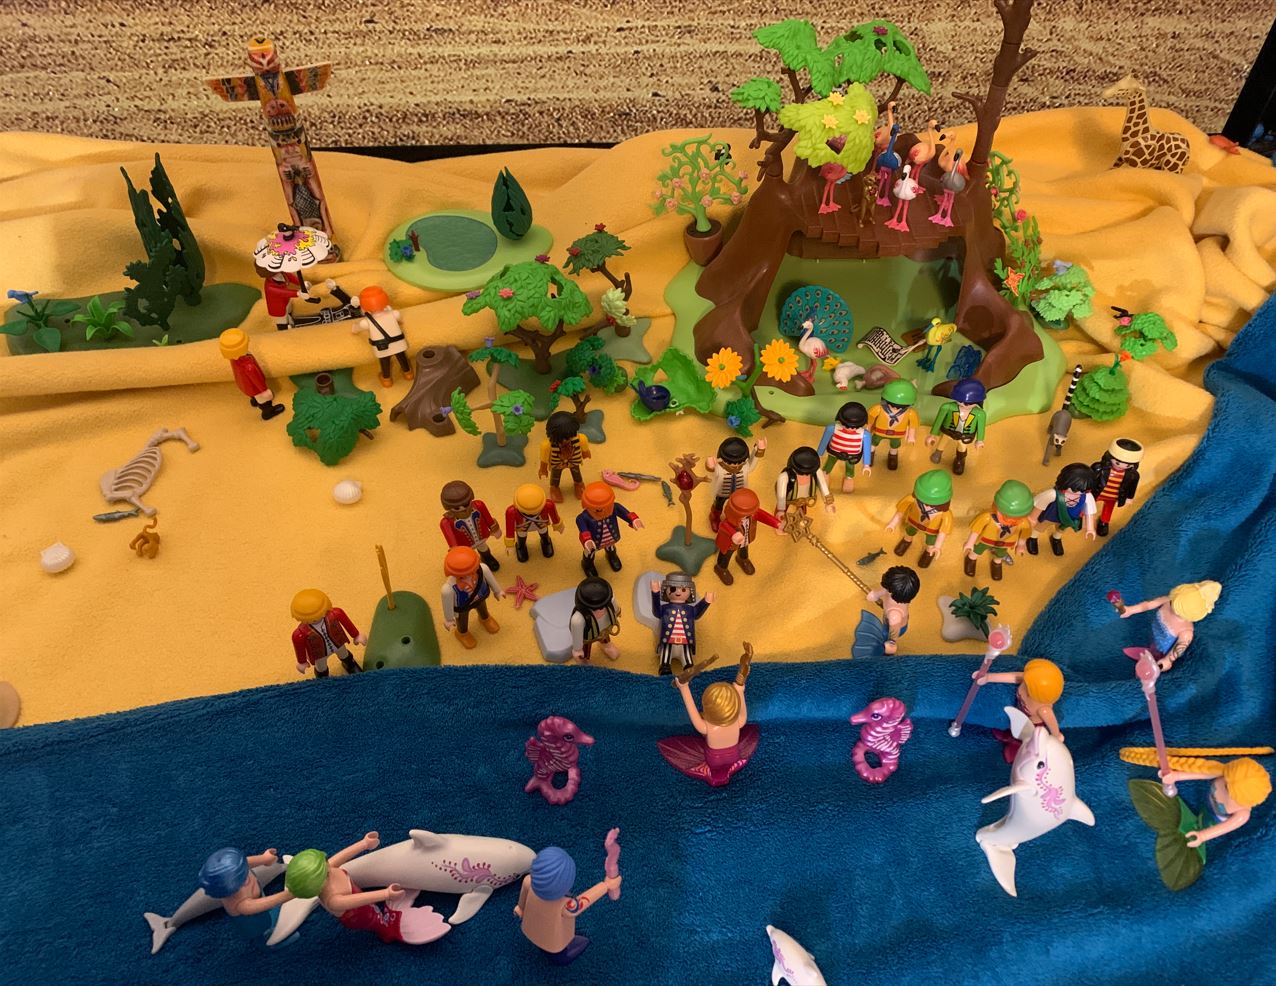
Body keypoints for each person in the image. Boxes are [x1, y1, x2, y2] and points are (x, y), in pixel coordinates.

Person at [284, 834, 448, 944]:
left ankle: (384, 919)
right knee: (375, 919)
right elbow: (358, 899)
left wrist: (364, 844)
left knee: (375, 910)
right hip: (357, 916)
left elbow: (341, 857)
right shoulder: (333, 900)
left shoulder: (328, 870)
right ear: (317, 882)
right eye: (324, 867)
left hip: (359, 901)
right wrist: (386, 893)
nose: (328, 864)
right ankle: (386, 931)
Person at [657, 645, 758, 787]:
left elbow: (691, 708)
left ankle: (713, 770)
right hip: (734, 757)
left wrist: (683, 687)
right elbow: (740, 695)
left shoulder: (705, 728)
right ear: (734, 706)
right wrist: (740, 681)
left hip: (713, 761)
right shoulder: (739, 722)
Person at [515, 847, 622, 965]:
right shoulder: (566, 906)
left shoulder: (529, 882)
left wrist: (520, 909)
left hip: (530, 929)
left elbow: (521, 904)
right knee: (562, 953)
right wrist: (606, 885)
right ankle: (560, 957)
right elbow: (585, 900)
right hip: (553, 943)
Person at [197, 847, 297, 947]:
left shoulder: (238, 871)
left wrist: (264, 858)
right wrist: (290, 894)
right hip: (255, 924)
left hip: (261, 908)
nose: (247, 876)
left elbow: (246, 862)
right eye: (242, 880)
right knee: (263, 935)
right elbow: (265, 903)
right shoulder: (241, 904)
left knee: (269, 915)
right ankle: (267, 945)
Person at [1119, 581, 1221, 671]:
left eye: (1179, 612)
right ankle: (1150, 651)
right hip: (1153, 637)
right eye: (1173, 603)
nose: (1172, 608)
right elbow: (1149, 604)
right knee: (1152, 645)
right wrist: (1131, 610)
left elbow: (1178, 649)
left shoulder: (1186, 632)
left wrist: (1168, 660)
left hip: (1163, 651)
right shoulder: (1169, 600)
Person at [978, 658, 1065, 761]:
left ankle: (1018, 748)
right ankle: (1009, 735)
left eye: (1027, 689)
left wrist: (1057, 736)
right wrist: (988, 677)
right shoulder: (1029, 681)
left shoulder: (1043, 710)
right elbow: (1014, 677)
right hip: (1019, 716)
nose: (1021, 688)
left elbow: (1052, 724)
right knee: (1014, 728)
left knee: (1024, 738)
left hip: (1031, 726)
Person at [963, 480, 1034, 581]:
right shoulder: (987, 518)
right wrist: (970, 542)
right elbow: (976, 530)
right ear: (996, 506)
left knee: (1000, 554)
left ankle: (997, 563)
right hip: (985, 541)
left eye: (1017, 518)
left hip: (1005, 544)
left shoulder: (1023, 524)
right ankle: (971, 558)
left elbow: (1023, 535)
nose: (1010, 521)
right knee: (977, 550)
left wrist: (1021, 545)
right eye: (1006, 517)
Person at [713, 488, 783, 586]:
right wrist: (734, 534)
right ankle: (721, 568)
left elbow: (765, 516)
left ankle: (743, 559)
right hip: (730, 543)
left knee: (744, 550)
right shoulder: (731, 520)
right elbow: (723, 526)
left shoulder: (753, 514)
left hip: (745, 539)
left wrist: (778, 524)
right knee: (725, 555)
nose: (751, 514)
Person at [884, 469, 952, 567]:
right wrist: (892, 523)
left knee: (930, 541)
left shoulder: (945, 514)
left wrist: (937, 547)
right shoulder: (912, 499)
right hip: (913, 522)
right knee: (909, 532)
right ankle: (907, 541)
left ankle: (929, 551)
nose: (926, 504)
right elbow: (900, 511)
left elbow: (943, 531)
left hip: (931, 530)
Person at [290, 589, 365, 678]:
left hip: (338, 643)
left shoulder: (334, 614)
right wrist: (302, 661)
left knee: (345, 655)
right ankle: (323, 678)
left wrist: (356, 635)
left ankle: (350, 665)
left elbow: (346, 623)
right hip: (319, 652)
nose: (316, 618)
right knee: (321, 668)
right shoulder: (300, 633)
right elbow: (299, 647)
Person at [440, 545, 504, 649]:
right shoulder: (448, 588)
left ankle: (485, 619)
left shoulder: (482, 569)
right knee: (462, 621)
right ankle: (462, 633)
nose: (468, 575)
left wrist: (498, 591)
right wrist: (449, 619)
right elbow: (447, 603)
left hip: (480, 598)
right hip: (462, 607)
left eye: (471, 570)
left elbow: (490, 579)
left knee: (483, 610)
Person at [1028, 462, 1099, 556]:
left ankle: (1056, 539)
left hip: (1068, 519)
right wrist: (1033, 518)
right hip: (1050, 516)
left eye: (1083, 490)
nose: (1078, 492)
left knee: (1061, 529)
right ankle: (1033, 538)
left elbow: (1089, 511)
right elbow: (1040, 505)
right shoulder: (1053, 494)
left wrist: (1090, 528)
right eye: (1074, 489)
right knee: (1040, 527)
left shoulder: (1087, 496)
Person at [649, 572, 713, 675]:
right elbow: (656, 612)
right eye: (673, 589)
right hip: (668, 641)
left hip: (685, 642)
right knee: (665, 659)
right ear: (666, 590)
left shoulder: (690, 609)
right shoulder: (665, 608)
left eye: (683, 589)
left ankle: (688, 668)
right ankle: (665, 667)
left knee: (688, 663)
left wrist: (706, 602)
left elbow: (697, 613)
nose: (678, 592)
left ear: (690, 591)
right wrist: (655, 593)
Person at [575, 482, 642, 577]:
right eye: (598, 510)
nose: (604, 511)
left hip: (610, 538)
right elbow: (583, 528)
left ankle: (611, 556)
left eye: (608, 507)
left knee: (611, 548)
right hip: (593, 541)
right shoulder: (583, 517)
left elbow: (625, 513)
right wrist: (587, 539)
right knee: (589, 553)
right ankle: (587, 565)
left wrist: (633, 519)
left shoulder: (615, 508)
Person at [351, 285, 414, 387]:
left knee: (385, 361)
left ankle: (387, 380)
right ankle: (408, 374)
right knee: (402, 357)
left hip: (382, 347)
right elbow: (400, 320)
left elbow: (356, 329)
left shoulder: (365, 322)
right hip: (398, 343)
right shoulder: (394, 313)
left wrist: (354, 329)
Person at [218, 328, 285, 420]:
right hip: (255, 388)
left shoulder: (233, 358)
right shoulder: (249, 366)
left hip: (244, 385)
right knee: (264, 400)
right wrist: (264, 390)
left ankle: (254, 400)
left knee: (254, 395)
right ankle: (268, 412)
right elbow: (257, 380)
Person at [926, 378, 986, 475]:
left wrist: (980, 440)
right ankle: (938, 452)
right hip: (948, 431)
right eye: (961, 401)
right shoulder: (947, 407)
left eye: (969, 403)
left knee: (962, 447)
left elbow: (981, 427)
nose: (965, 405)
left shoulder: (979, 414)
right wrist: (933, 434)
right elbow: (938, 421)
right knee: (943, 441)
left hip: (965, 435)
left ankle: (960, 460)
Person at [439, 479, 501, 572]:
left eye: (466, 504)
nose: (462, 508)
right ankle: (473, 567)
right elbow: (451, 538)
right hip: (464, 544)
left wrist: (494, 528)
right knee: (467, 556)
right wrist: (455, 550)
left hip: (481, 537)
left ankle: (487, 558)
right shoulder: (446, 522)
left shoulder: (479, 505)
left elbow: (487, 517)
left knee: (483, 548)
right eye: (456, 508)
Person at [705, 436, 766, 531]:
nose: (736, 466)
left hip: (740, 493)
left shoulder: (745, 467)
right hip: (722, 493)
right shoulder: (719, 469)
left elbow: (752, 464)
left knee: (739, 508)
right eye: (732, 463)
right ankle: (714, 518)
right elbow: (712, 470)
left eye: (739, 463)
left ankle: (736, 521)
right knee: (718, 506)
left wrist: (758, 450)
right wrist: (709, 465)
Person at [860, 566, 921, 656]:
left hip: (893, 627)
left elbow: (894, 633)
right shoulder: (897, 593)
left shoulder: (894, 615)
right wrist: (875, 595)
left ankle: (882, 650)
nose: (886, 589)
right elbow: (884, 591)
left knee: (883, 637)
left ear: (892, 591)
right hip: (893, 619)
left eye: (888, 589)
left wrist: (891, 642)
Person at [816, 401, 873, 493]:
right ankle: (825, 476)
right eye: (847, 425)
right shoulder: (832, 428)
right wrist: (819, 454)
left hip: (852, 456)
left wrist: (866, 464)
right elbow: (824, 441)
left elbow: (867, 449)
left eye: (854, 427)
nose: (850, 429)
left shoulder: (864, 435)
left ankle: (849, 479)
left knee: (850, 468)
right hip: (834, 452)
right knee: (828, 465)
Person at [1091, 437, 1143, 537]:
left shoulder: (1133, 475)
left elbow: (1132, 486)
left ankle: (1104, 522)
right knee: (1086, 504)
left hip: (1113, 496)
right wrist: (1085, 490)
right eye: (1118, 462)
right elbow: (1089, 479)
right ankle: (1079, 517)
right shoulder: (1099, 468)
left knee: (1108, 509)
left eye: (1127, 465)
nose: (1121, 466)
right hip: (1097, 492)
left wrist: (1129, 497)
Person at [866, 379, 919, 471]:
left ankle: (893, 456)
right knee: (873, 442)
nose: (895, 408)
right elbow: (870, 420)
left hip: (897, 434)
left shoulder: (910, 413)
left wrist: (911, 436)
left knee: (895, 445)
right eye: (892, 405)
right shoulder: (878, 409)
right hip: (879, 432)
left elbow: (912, 425)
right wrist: (868, 430)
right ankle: (870, 454)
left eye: (900, 406)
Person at [774, 446, 835, 525]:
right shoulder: (785, 476)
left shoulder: (816, 472)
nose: (805, 476)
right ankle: (779, 523)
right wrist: (781, 509)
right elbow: (781, 495)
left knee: (802, 511)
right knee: (781, 515)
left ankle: (800, 520)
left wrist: (829, 502)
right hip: (788, 498)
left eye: (807, 473)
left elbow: (823, 485)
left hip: (804, 498)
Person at [539, 411, 591, 502]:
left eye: (569, 436)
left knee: (576, 474)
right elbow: (544, 459)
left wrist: (586, 453)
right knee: (555, 477)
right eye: (562, 438)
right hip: (557, 464)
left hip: (574, 461)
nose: (566, 441)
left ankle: (579, 484)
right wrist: (543, 469)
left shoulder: (580, 439)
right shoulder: (548, 445)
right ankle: (554, 488)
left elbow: (584, 449)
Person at [504, 484, 563, 562]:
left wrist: (558, 525)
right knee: (521, 536)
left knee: (544, 532)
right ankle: (521, 547)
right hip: (522, 527)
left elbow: (554, 516)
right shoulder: (512, 511)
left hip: (541, 524)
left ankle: (546, 542)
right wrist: (509, 543)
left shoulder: (548, 505)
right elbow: (509, 527)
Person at [569, 577, 621, 662]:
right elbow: (577, 634)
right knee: (585, 649)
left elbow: (615, 608)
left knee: (605, 638)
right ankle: (584, 660)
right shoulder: (578, 619)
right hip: (589, 637)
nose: (600, 610)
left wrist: (617, 612)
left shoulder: (609, 600)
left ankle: (606, 646)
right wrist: (577, 650)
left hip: (605, 630)